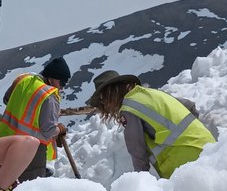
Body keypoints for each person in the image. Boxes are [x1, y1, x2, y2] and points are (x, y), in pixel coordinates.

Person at [87, 70, 216, 178]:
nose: (103, 105)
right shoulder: (152, 94)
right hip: (208, 145)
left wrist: (141, 181)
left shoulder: (129, 108)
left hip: (184, 159)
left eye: (102, 99)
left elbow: (137, 150)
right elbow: (190, 106)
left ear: (111, 93)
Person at [0, 56, 72, 181]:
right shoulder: (49, 95)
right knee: (27, 189)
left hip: (4, 143)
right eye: (62, 82)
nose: (62, 87)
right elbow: (48, 130)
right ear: (51, 78)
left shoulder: (24, 80)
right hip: (31, 151)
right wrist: (60, 129)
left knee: (2, 184)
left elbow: (7, 99)